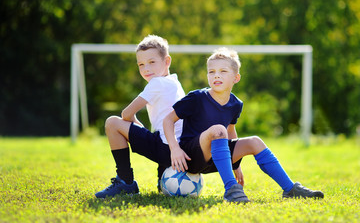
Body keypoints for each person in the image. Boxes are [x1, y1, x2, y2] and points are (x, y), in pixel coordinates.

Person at [163, 47, 324, 203]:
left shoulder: (236, 104)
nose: (216, 76)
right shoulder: (197, 97)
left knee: (255, 141)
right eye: (211, 72)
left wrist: (236, 164)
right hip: (190, 158)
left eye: (223, 71)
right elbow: (168, 120)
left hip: (215, 158)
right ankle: (231, 190)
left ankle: (290, 189)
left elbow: (231, 132)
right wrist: (175, 148)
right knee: (218, 130)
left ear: (236, 78)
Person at [95, 35, 185, 198]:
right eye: (141, 64)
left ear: (167, 61)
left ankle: (125, 181)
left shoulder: (156, 83)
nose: (146, 69)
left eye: (152, 62)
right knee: (163, 190)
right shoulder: (175, 82)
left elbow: (126, 114)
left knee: (112, 123)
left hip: (165, 147)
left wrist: (140, 130)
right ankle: (163, 177)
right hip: (179, 148)